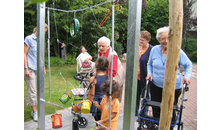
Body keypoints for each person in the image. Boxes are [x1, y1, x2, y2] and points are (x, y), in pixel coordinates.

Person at [146, 26, 192, 129]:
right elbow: (149, 64)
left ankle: (169, 127)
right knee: (156, 108)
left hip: (173, 87)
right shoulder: (154, 50)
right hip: (156, 85)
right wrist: (150, 73)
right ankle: (158, 126)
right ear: (159, 40)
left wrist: (187, 76)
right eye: (163, 38)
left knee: (170, 110)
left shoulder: (177, 51)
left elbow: (188, 64)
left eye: (168, 38)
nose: (166, 41)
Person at [24, 23, 48, 121]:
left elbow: (41, 55)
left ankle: (35, 109)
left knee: (39, 90)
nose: (43, 34)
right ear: (37, 29)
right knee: (33, 91)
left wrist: (43, 67)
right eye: (43, 32)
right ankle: (35, 113)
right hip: (30, 68)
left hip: (39, 68)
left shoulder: (41, 41)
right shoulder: (29, 39)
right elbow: (24, 54)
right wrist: (25, 68)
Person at [135, 30, 153, 116]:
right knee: (135, 96)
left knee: (145, 96)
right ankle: (134, 112)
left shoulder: (151, 50)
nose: (140, 41)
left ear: (148, 40)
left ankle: (143, 114)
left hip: (145, 77)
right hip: (136, 77)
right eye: (139, 39)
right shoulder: (137, 48)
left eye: (142, 40)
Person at [88, 56, 109, 121]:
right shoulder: (109, 78)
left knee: (98, 122)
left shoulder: (93, 79)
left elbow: (92, 94)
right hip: (106, 103)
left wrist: (89, 102)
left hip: (97, 104)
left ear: (96, 65)